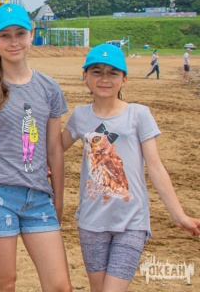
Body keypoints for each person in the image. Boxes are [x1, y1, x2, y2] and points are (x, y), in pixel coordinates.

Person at [61, 44, 200, 292]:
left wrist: (179, 216)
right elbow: (54, 151)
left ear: (124, 79)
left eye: (113, 73)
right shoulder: (80, 115)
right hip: (91, 222)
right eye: (96, 71)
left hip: (132, 221)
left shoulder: (138, 114)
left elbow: (156, 168)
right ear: (85, 76)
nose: (104, 78)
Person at [0, 3, 72, 291]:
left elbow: (54, 151)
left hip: (38, 197)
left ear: (31, 34)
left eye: (20, 33)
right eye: (5, 35)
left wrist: (58, 202)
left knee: (60, 286)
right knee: (5, 284)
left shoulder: (49, 88)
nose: (14, 41)